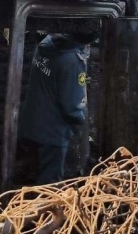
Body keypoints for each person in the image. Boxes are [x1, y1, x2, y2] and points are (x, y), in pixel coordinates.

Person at [18, 30, 98, 184]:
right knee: (50, 185)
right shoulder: (72, 60)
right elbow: (72, 105)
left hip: (31, 123)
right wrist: (81, 119)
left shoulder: (45, 44)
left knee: (33, 177)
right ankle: (45, 208)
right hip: (53, 131)